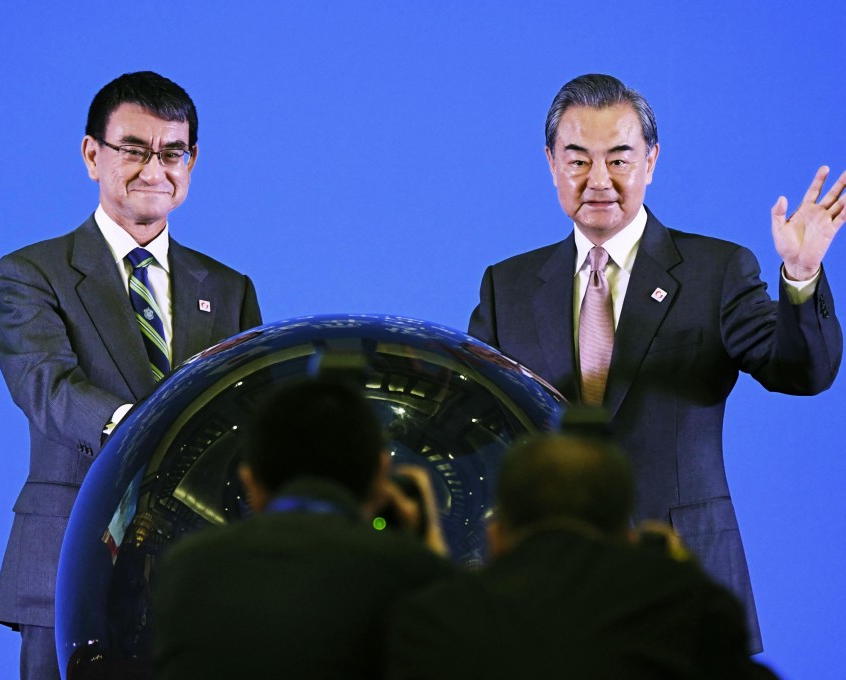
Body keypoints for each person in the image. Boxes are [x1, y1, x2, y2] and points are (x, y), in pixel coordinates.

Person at [468, 73, 845, 652]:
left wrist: (800, 277)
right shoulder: (507, 287)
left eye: (619, 159)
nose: (599, 181)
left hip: (683, 579)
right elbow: (481, 430)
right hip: (546, 590)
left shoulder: (715, 270)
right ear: (550, 162)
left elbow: (801, 371)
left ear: (652, 160)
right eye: (578, 161)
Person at [0, 71, 263, 679]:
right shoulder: (34, 272)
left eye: (172, 152)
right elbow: (44, 386)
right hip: (69, 556)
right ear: (92, 155)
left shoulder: (228, 287)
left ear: (191, 162)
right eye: (133, 149)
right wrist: (142, 430)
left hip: (195, 568)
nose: (153, 169)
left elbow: (246, 413)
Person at [386, 434, 779, 679]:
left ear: (496, 535)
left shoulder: (437, 619)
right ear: (628, 535)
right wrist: (683, 577)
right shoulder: (689, 610)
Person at [152, 379, 454, 679]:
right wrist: (429, 549)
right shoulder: (416, 575)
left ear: (252, 486)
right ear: (380, 478)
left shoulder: (186, 569)